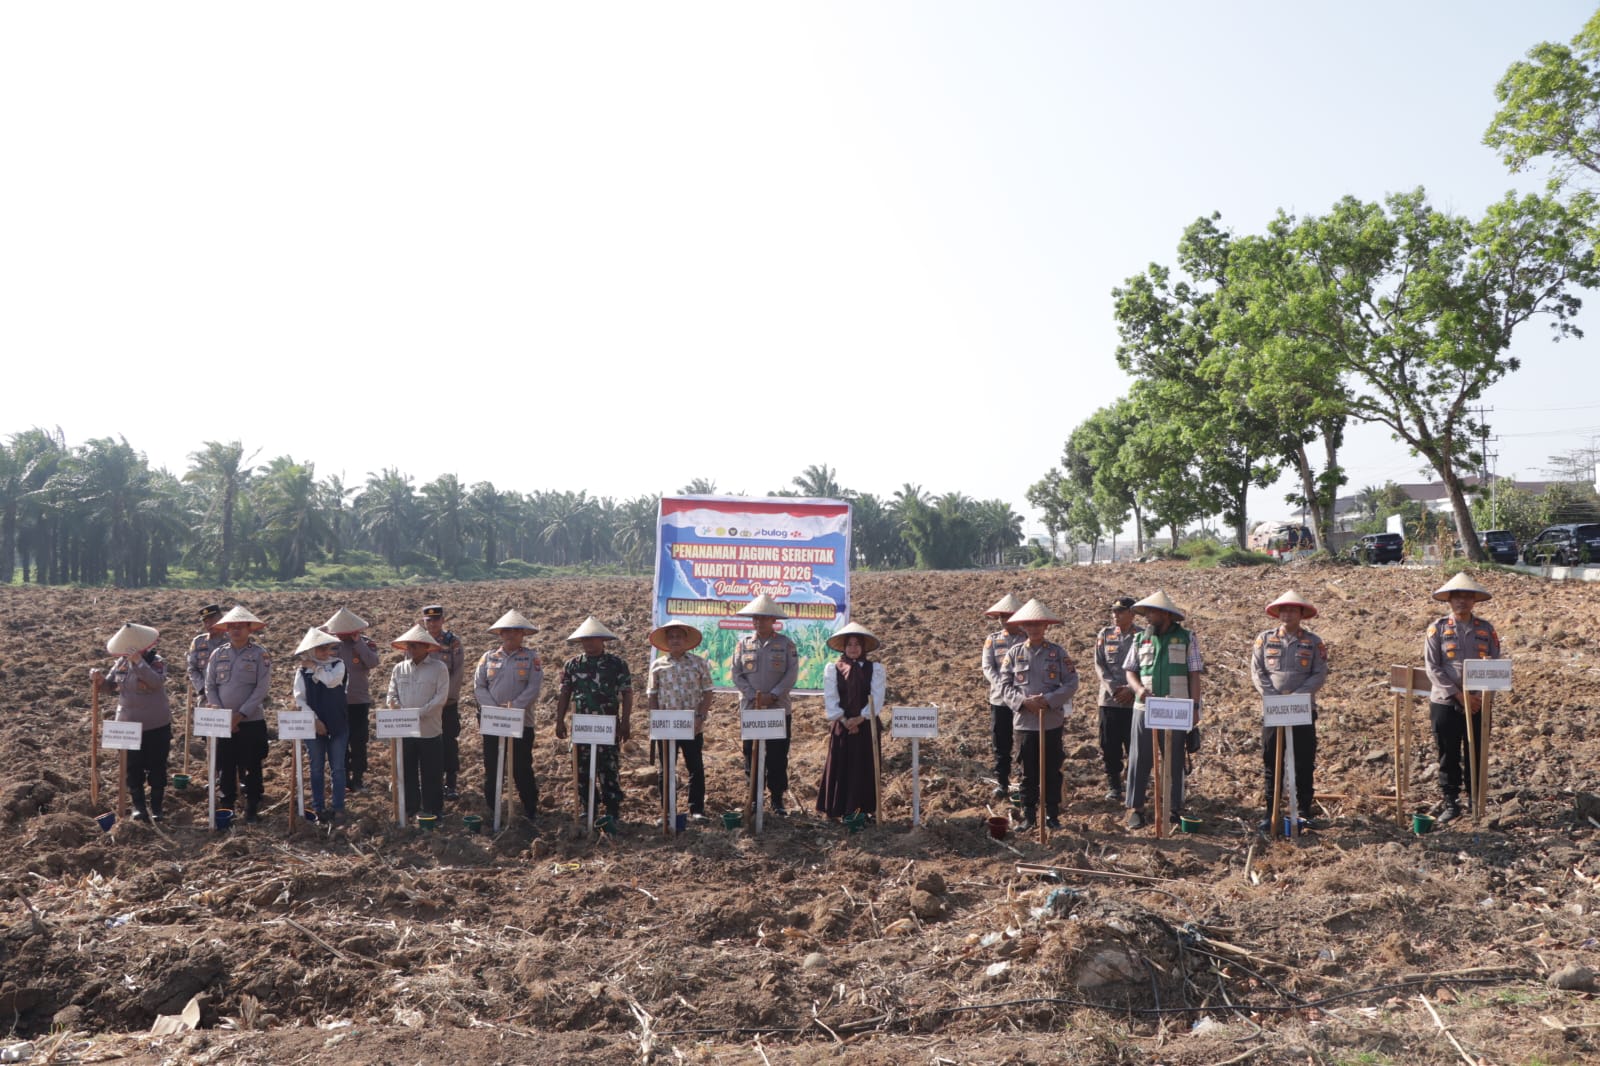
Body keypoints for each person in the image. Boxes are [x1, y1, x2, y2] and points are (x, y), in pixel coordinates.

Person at [1121, 590, 1203, 830]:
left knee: (1174, 758)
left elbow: (1194, 674)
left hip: (1176, 708)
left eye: (1151, 613)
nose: (1146, 617)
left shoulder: (1187, 638)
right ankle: (1136, 809)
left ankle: (1174, 807)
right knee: (1139, 757)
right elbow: (1130, 671)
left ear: (1166, 615)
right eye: (1145, 612)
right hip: (1144, 707)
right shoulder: (1140, 639)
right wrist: (1137, 689)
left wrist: (1195, 707)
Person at [1423, 572, 1501, 825]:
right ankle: (1451, 802)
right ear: (1449, 600)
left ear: (1474, 601)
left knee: (1476, 751)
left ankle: (1475, 801)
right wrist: (1458, 695)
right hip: (1445, 702)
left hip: (1479, 704)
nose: (1462, 602)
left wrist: (1477, 697)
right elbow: (1433, 667)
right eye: (1458, 597)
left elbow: (1496, 663)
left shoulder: (1486, 630)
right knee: (1448, 753)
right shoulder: (1437, 629)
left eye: (1468, 597)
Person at [1250, 590, 1329, 833]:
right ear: (1278, 614)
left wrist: (1297, 697)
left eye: (1293, 610)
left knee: (1304, 761)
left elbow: (1319, 673)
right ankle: (1270, 811)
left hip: (1302, 708)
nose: (1287, 614)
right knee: (1271, 760)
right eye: (1283, 610)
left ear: (1301, 614)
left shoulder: (1314, 642)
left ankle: (1303, 812)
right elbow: (1258, 672)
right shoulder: (1264, 639)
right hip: (1273, 710)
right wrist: (1273, 697)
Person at [998, 599, 1079, 833]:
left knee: (1052, 770)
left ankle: (1052, 815)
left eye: (1039, 625)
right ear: (1023, 627)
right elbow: (1004, 686)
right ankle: (1029, 815)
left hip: (1051, 722)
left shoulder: (1057, 653)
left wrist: (1049, 700)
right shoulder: (1014, 653)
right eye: (1030, 625)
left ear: (1046, 627)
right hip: (1024, 723)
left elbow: (1072, 682)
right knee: (1027, 772)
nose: (1034, 629)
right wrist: (1024, 702)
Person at [554, 617, 633, 823]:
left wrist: (625, 722)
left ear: (602, 640)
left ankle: (612, 808)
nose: (588, 644)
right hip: (582, 726)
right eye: (584, 641)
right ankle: (588, 807)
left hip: (608, 724)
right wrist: (559, 720)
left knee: (608, 766)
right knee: (580, 766)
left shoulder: (616, 665)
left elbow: (627, 693)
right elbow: (564, 693)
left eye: (592, 640)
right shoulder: (572, 665)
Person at [92, 622, 173, 821]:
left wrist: (139, 662)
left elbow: (155, 682)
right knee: (132, 767)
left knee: (157, 766)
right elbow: (109, 687)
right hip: (128, 725)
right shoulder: (120, 663)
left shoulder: (156, 661)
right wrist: (100, 680)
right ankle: (138, 806)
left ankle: (156, 807)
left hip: (155, 724)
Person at [473, 610, 544, 822]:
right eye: (505, 631)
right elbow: (479, 686)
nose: (509, 635)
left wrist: (514, 707)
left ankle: (530, 808)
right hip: (493, 721)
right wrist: (495, 708)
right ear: (500, 634)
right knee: (493, 767)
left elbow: (533, 687)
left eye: (514, 631)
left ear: (522, 633)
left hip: (521, 722)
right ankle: (493, 809)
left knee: (521, 767)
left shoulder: (531, 658)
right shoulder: (488, 657)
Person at [731, 593, 799, 815]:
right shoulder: (743, 644)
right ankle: (754, 797)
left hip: (778, 709)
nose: (758, 622)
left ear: (773, 620)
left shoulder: (786, 645)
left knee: (778, 755)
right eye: (755, 619)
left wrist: (774, 694)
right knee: (751, 753)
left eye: (763, 618)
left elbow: (791, 674)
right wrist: (753, 695)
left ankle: (777, 799)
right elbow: (736, 673)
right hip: (751, 709)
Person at [204, 606, 273, 823]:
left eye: (240, 627)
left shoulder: (260, 654)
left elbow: (261, 688)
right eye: (232, 627)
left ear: (249, 629)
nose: (236, 631)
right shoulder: (218, 654)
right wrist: (220, 711)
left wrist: (240, 715)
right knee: (226, 764)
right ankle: (227, 806)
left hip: (251, 721)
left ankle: (252, 805)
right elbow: (210, 686)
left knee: (252, 764)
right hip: (223, 721)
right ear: (226, 630)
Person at [816, 622, 887, 823]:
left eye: (857, 644)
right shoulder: (833, 669)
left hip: (867, 726)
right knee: (842, 765)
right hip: (842, 725)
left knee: (864, 766)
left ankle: (863, 810)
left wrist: (861, 717)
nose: (853, 648)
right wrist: (845, 720)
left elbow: (878, 696)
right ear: (844, 647)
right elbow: (831, 697)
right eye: (849, 644)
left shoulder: (875, 669)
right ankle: (838, 808)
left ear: (863, 647)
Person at [646, 622, 715, 822]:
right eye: (671, 637)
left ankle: (696, 810)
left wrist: (700, 717)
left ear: (686, 641)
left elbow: (708, 692)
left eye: (679, 636)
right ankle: (668, 812)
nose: (675, 640)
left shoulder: (698, 663)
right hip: (667, 725)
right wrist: (656, 720)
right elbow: (652, 695)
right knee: (666, 768)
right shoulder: (658, 665)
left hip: (692, 724)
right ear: (666, 642)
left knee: (695, 767)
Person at [386, 624, 450, 822]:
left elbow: (441, 697)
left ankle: (434, 809)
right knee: (407, 771)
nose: (411, 650)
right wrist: (398, 710)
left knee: (432, 772)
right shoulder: (399, 669)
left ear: (426, 647)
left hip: (429, 729)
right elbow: (391, 695)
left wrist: (420, 713)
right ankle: (411, 807)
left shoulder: (439, 668)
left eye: (415, 646)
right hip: (405, 731)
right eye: (409, 646)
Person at [293, 627, 349, 821]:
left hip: (338, 722)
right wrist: (314, 720)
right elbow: (300, 700)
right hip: (313, 725)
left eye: (327, 648)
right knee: (316, 767)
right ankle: (318, 806)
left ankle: (338, 806)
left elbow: (331, 682)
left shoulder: (338, 665)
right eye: (320, 649)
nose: (326, 653)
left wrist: (316, 668)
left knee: (338, 768)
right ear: (311, 651)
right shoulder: (302, 672)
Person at [325, 608, 380, 793]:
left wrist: (358, 643)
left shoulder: (366, 643)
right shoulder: (330, 645)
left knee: (358, 741)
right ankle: (342, 778)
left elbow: (373, 662)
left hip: (358, 700)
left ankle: (358, 778)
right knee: (339, 741)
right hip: (335, 701)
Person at [1092, 597, 1140, 804]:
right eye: (1113, 611)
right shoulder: (1105, 634)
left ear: (1132, 613)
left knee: (1134, 745)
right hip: (1109, 701)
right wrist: (1114, 689)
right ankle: (1114, 785)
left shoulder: (1143, 636)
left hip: (1135, 700)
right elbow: (1099, 665)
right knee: (1109, 745)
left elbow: (1147, 667)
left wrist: (1131, 689)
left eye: (1120, 611)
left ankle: (1133, 783)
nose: (1115, 615)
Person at [979, 593, 1026, 800]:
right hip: (999, 699)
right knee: (1001, 742)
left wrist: (1016, 691)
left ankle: (1026, 782)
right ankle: (1002, 782)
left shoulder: (1027, 639)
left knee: (1024, 742)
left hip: (1023, 699)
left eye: (1008, 616)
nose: (1004, 620)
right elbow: (988, 667)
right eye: (1001, 617)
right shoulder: (993, 640)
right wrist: (1003, 687)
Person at [421, 604, 467, 801]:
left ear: (443, 620)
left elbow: (457, 672)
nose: (432, 623)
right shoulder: (417, 641)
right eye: (428, 620)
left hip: (447, 702)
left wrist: (447, 696)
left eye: (436, 619)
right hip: (424, 702)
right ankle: (430, 781)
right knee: (426, 741)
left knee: (448, 741)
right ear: (423, 622)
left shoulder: (452, 642)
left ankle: (451, 783)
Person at [185, 604, 227, 701]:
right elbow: (192, 669)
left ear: (221, 619)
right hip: (206, 697)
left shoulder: (232, 641)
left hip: (229, 695)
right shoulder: (198, 642)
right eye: (205, 622)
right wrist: (203, 689)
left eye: (212, 620)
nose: (208, 625)